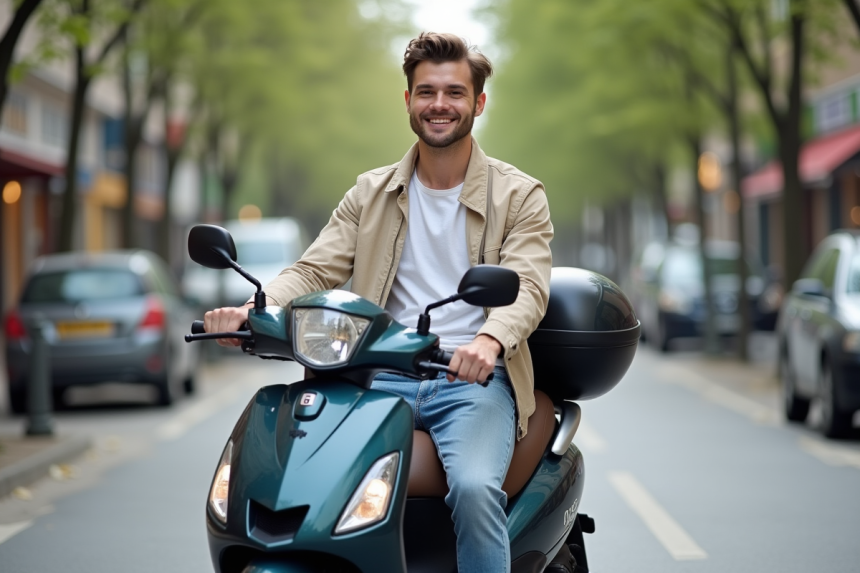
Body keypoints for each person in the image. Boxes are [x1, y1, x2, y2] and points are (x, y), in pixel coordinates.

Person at [204, 32, 553, 573]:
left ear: (478, 103)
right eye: (427, 91)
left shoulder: (520, 195)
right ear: (408, 100)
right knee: (310, 480)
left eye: (455, 93)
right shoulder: (369, 193)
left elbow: (528, 285)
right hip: (376, 376)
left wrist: (489, 340)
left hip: (470, 382)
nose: (440, 104)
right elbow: (313, 269)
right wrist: (256, 307)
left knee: (475, 488)